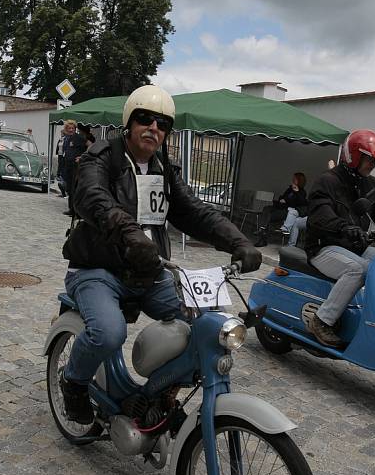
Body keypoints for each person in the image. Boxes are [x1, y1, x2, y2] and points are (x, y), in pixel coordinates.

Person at [60, 84, 262, 423]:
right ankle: (74, 382)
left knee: (206, 325)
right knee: (109, 333)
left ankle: (161, 394)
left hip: (149, 272)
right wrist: (130, 234)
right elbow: (92, 197)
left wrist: (238, 241)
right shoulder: (102, 158)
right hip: (98, 269)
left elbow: (195, 212)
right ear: (129, 122)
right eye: (145, 119)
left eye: (163, 124)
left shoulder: (164, 170)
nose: (153, 128)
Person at [305, 129, 375, 347]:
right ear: (354, 156)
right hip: (324, 246)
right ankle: (322, 320)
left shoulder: (370, 184)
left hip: (355, 246)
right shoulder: (327, 181)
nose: (373, 164)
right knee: (359, 269)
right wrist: (344, 227)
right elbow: (320, 215)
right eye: (369, 159)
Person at [255, 172, 307, 247]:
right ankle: (262, 230)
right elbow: (282, 197)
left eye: (294, 179)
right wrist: (283, 200)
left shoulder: (302, 192)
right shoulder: (289, 189)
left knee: (269, 216)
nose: (292, 180)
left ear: (299, 180)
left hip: (288, 211)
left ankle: (262, 235)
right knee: (266, 209)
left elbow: (300, 203)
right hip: (280, 206)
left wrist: (296, 192)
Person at [60, 119, 88, 216]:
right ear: (66, 129)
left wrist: (82, 157)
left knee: (74, 189)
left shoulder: (79, 138)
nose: (71, 130)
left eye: (72, 128)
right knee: (68, 188)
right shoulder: (66, 138)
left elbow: (88, 147)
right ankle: (71, 208)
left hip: (76, 166)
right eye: (69, 128)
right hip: (68, 166)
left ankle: (75, 210)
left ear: (75, 129)